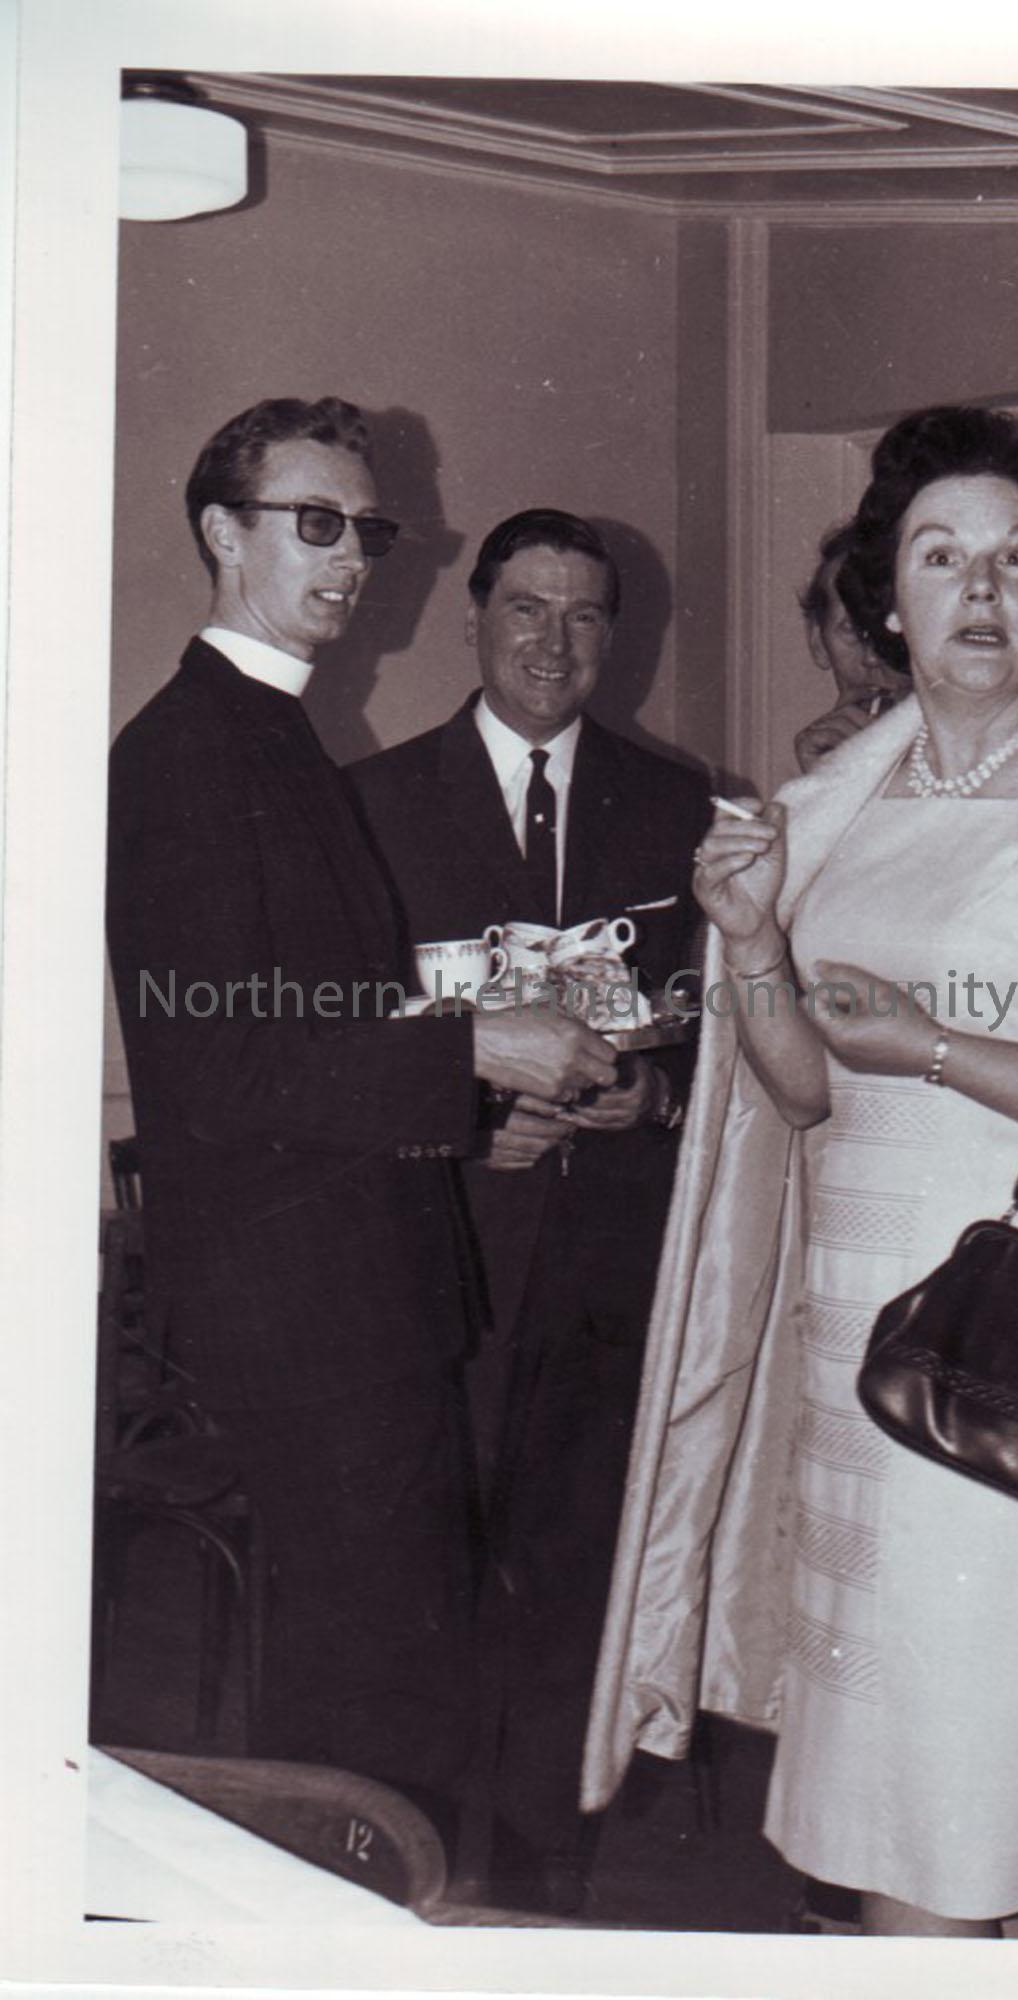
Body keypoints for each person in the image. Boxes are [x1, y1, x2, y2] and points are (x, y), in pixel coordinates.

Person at [583, 407, 1018, 1942]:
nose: (980, 588)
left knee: (948, 1822)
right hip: (863, 1358)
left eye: (1017, 558)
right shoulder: (837, 806)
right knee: (949, 1830)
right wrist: (752, 946)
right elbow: (801, 1093)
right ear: (884, 601)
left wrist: (936, 1048)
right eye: (940, 556)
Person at [106, 401, 617, 1853]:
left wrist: (461, 1096)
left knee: (387, 1671)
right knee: (365, 1695)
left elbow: (316, 1017)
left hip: (357, 1289)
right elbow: (222, 1059)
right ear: (224, 532)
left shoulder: (272, 728)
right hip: (303, 1312)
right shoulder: (189, 749)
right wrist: (476, 1046)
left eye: (366, 532)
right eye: (314, 524)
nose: (349, 559)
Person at [348, 508, 711, 1912]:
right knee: (426, 1578)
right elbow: (340, 1038)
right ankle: (414, 1865)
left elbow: (721, 1029)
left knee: (575, 1576)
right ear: (475, 618)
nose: (554, 643)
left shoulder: (674, 804)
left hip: (612, 1260)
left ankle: (542, 1893)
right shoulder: (374, 804)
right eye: (526, 609)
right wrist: (453, 1121)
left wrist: (656, 1098)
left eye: (584, 616)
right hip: (440, 1252)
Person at [793, 522, 909, 773]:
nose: (872, 658)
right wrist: (824, 782)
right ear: (817, 641)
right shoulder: (822, 753)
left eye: (890, 630)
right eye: (852, 631)